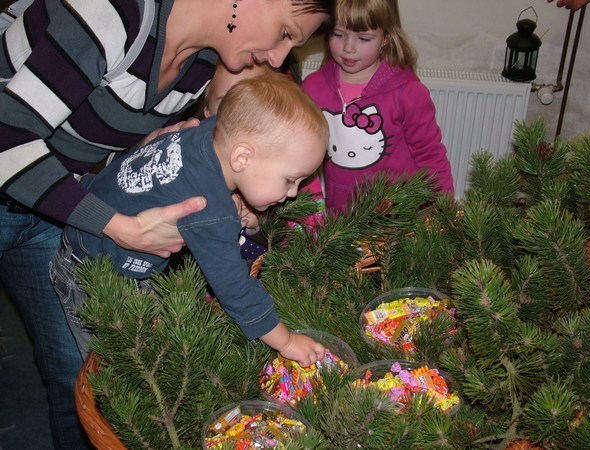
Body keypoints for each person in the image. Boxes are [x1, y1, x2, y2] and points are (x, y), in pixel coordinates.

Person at [0, 0, 332, 447]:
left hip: (71, 215)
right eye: (287, 33)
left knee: (83, 377)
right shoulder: (113, 12)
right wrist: (287, 342)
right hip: (87, 253)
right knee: (117, 380)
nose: (278, 58)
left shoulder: (205, 94)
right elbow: (234, 287)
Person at [50, 73, 329, 367]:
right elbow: (234, 287)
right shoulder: (208, 207)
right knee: (119, 366)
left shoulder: (207, 132)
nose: (293, 193)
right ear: (242, 158)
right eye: (289, 180)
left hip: (99, 236)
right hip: (93, 275)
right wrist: (287, 342)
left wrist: (237, 194)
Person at [301, 0, 454, 213]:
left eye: (363, 38)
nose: (348, 48)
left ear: (386, 39)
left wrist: (443, 211)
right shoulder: (313, 87)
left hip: (398, 214)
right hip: (341, 215)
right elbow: (301, 155)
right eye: (338, 34)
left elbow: (430, 157)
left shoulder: (408, 93)